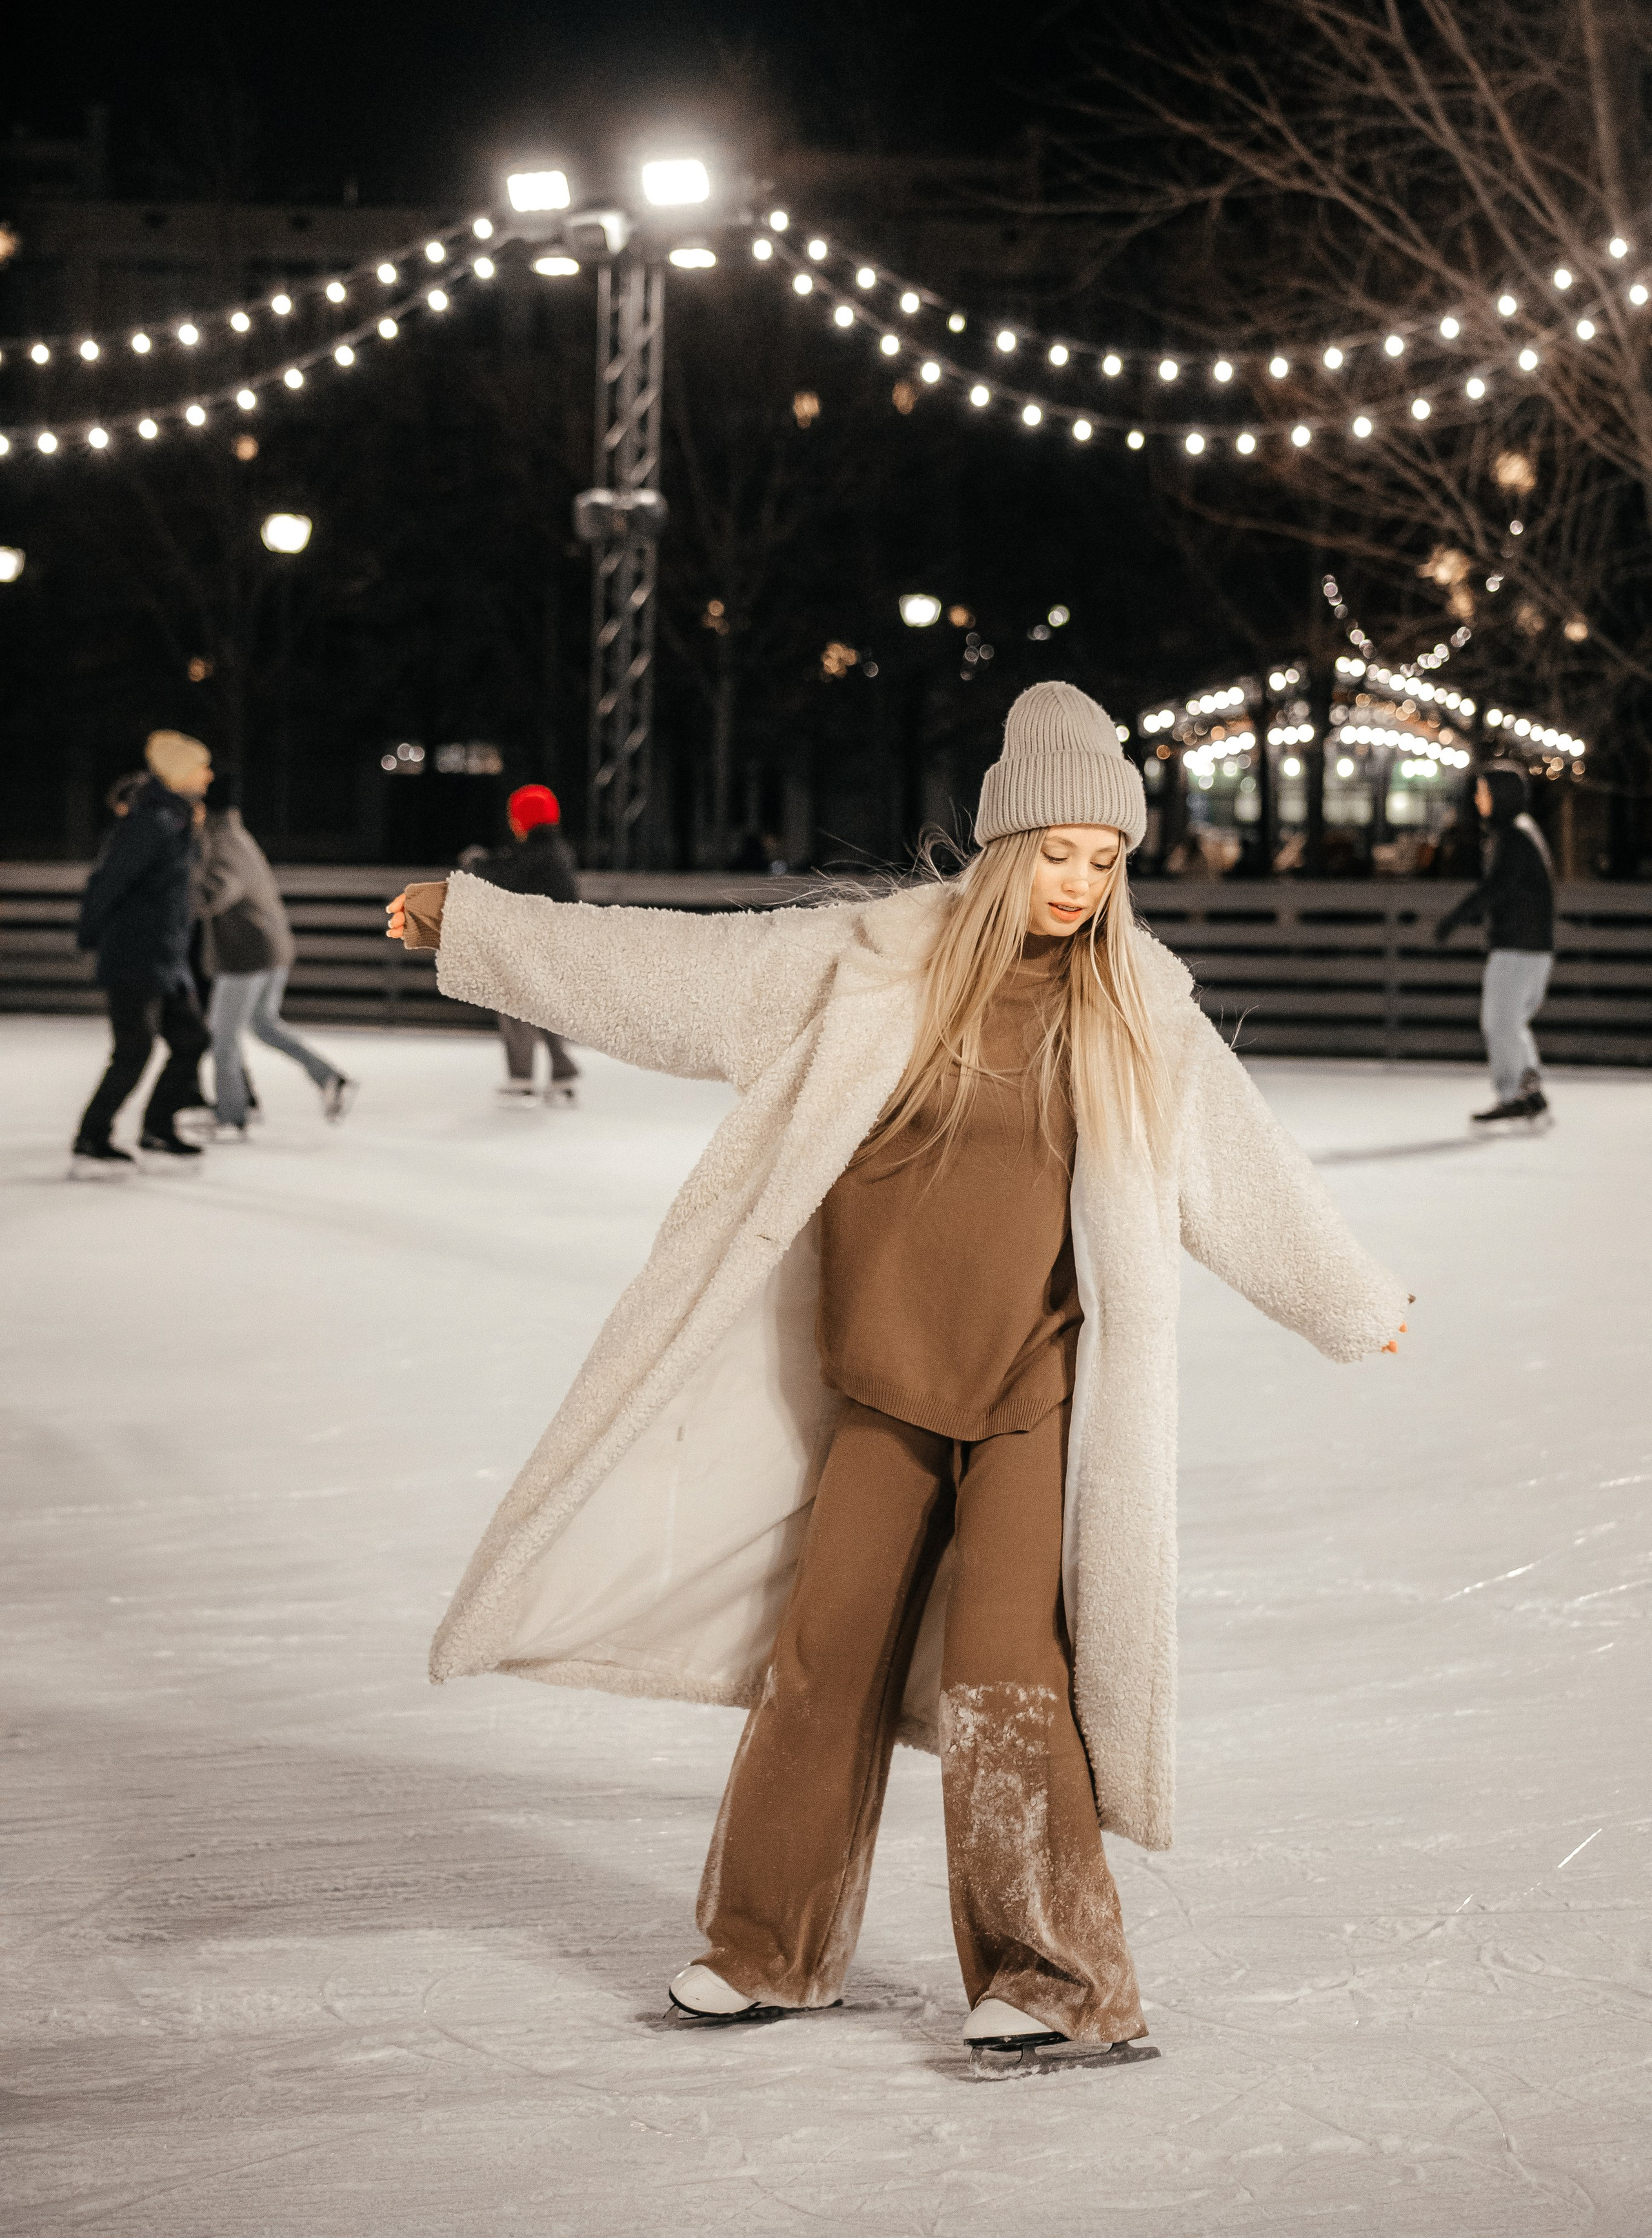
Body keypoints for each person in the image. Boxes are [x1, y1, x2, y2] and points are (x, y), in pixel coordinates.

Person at [387, 684, 1408, 2067]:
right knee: (822, 1657)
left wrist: (1348, 1299)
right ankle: (767, 1949)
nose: (1079, 884)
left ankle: (1052, 1979)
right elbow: (669, 974)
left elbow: (1239, 1168)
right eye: (1056, 852)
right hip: (879, 1379)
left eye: (1106, 861)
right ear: (1002, 845)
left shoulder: (1133, 1004)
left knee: (1005, 1673)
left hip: (1034, 1391)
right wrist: (483, 924)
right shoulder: (869, 965)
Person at [72, 731, 214, 1174]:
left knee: (192, 1040)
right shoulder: (151, 821)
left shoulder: (177, 816)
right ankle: (92, 1139)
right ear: (178, 772)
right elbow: (108, 881)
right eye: (200, 766)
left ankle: (157, 1127)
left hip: (166, 955)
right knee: (135, 1049)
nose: (208, 775)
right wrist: (90, 934)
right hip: (136, 954)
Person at [194, 779, 356, 1136]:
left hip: (247, 954)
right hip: (269, 948)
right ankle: (329, 1077)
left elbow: (215, 893)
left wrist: (183, 882)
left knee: (222, 1036)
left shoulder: (223, 843)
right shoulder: (236, 836)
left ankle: (232, 1115)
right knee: (263, 1025)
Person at [1433, 762, 1555, 1128]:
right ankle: (1530, 1093)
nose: (1477, 798)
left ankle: (1514, 1097)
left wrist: (1457, 917)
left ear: (1501, 796)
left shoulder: (1514, 837)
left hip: (1518, 947)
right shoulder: (1523, 831)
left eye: (1484, 791)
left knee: (1500, 1023)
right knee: (1512, 1024)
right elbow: (1511, 889)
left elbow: (1498, 887)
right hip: (1533, 946)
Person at [461, 783, 581, 1105]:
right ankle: (558, 1070)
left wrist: (476, 865)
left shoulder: (542, 853)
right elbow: (513, 868)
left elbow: (507, 875)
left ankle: (525, 1077)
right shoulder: (550, 850)